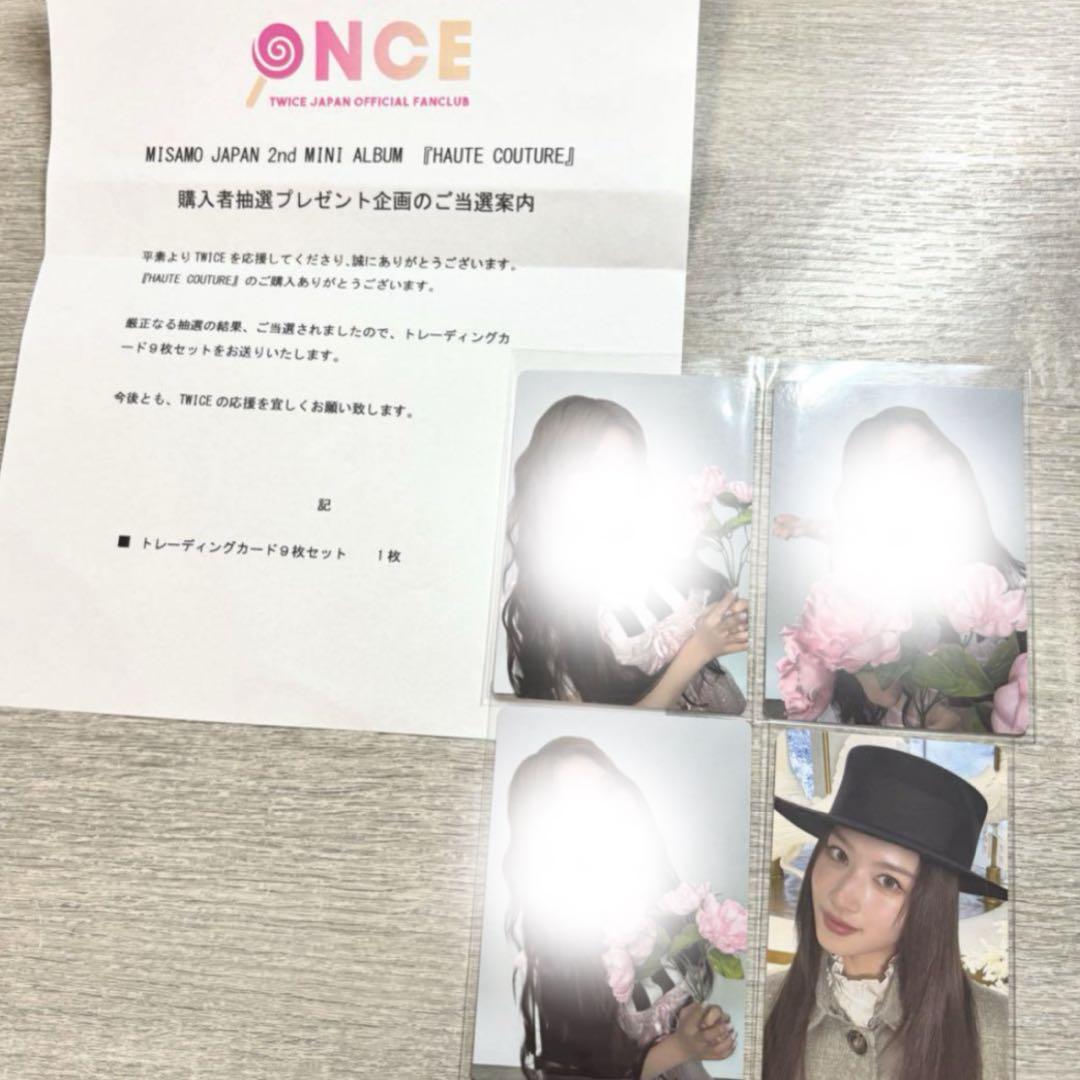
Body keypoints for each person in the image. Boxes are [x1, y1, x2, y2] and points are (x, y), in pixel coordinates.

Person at [763, 745, 1009, 1080]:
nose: (843, 896)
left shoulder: (1000, 1034)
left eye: (888, 881)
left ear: (932, 905)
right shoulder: (763, 1007)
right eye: (839, 855)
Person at [773, 405, 1027, 728]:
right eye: (906, 466)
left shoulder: (1021, 589)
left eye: (935, 452)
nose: (934, 472)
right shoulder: (864, 607)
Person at [504, 736, 738, 1078]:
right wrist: (679, 1048)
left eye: (608, 787)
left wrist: (698, 1027)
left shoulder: (664, 901)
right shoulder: (557, 954)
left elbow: (673, 1005)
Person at [502, 395, 748, 712]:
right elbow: (594, 728)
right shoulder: (546, 596)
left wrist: (727, 622)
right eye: (598, 468)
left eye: (627, 468)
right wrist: (699, 649)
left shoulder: (653, 549)